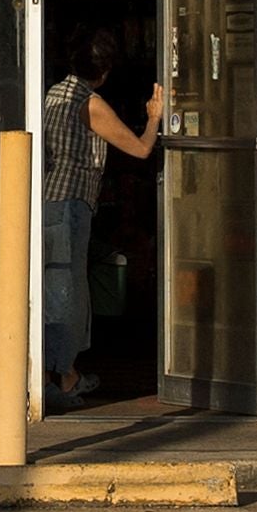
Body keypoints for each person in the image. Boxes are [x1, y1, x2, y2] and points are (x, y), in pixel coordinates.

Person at [43, 27, 163, 411]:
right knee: (67, 290)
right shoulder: (89, 103)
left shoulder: (52, 94)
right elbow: (140, 148)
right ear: (105, 70)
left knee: (55, 287)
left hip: (48, 200)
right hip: (71, 204)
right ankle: (62, 377)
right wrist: (154, 117)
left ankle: (61, 371)